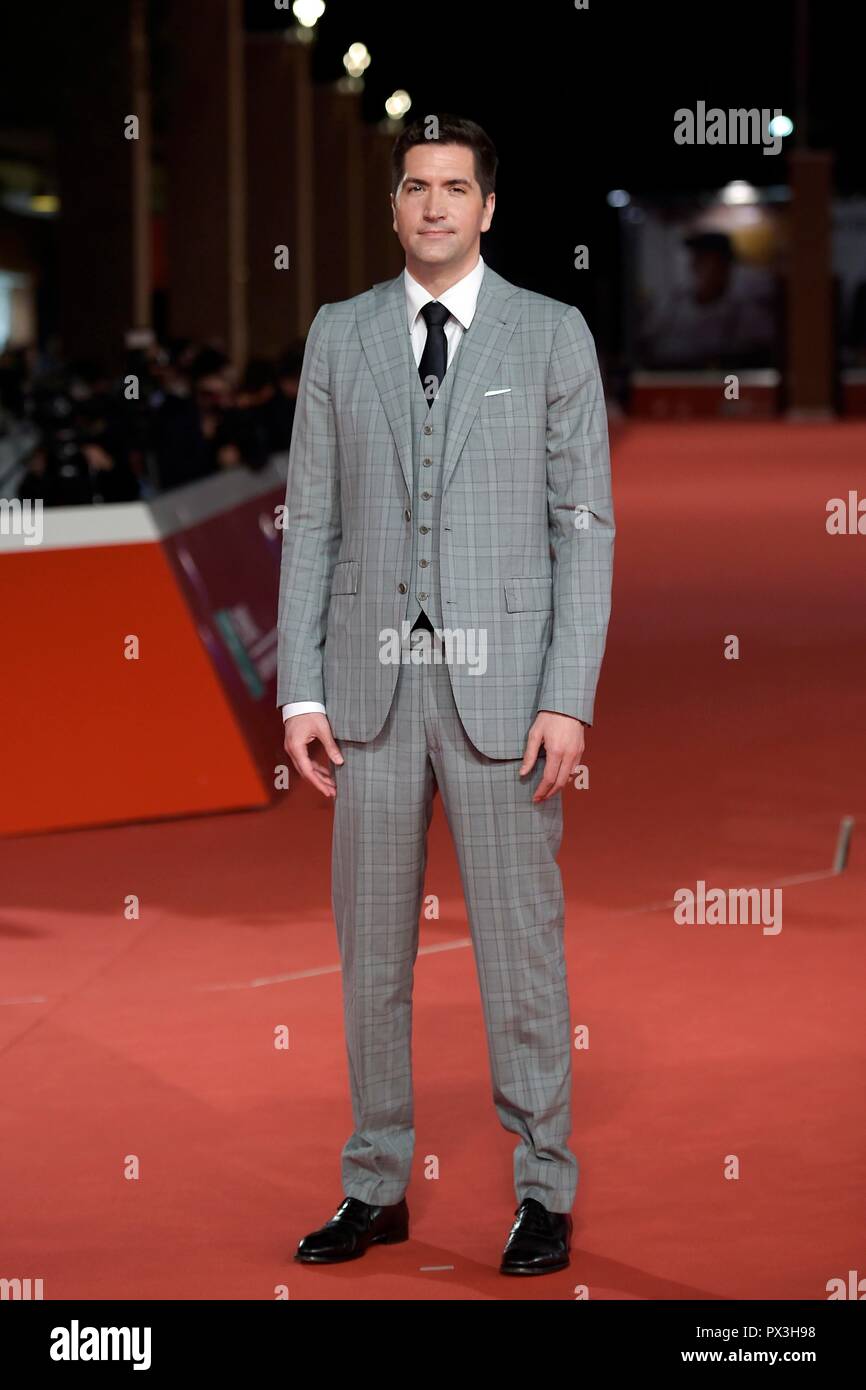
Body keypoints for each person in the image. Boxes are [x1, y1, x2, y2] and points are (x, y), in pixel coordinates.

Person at [277, 114, 614, 1276]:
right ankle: (375, 1182)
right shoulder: (338, 334)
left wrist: (566, 696)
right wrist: (298, 689)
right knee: (369, 954)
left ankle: (543, 1189)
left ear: (486, 208)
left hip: (503, 692)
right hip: (369, 692)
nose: (432, 205)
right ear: (392, 206)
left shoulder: (552, 333)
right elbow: (309, 519)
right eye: (414, 185)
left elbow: (584, 529)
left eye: (454, 187)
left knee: (521, 952)